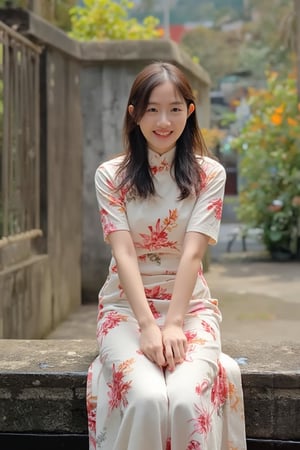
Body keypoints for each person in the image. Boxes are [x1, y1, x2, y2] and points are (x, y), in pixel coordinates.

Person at [86, 62, 246, 450]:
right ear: (134, 114)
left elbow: (193, 255)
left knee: (188, 401)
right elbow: (123, 253)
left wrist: (173, 324)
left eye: (175, 108)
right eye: (152, 109)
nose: (163, 120)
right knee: (147, 398)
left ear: (190, 112)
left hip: (188, 308)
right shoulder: (111, 175)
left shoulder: (210, 174)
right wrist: (146, 325)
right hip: (126, 308)